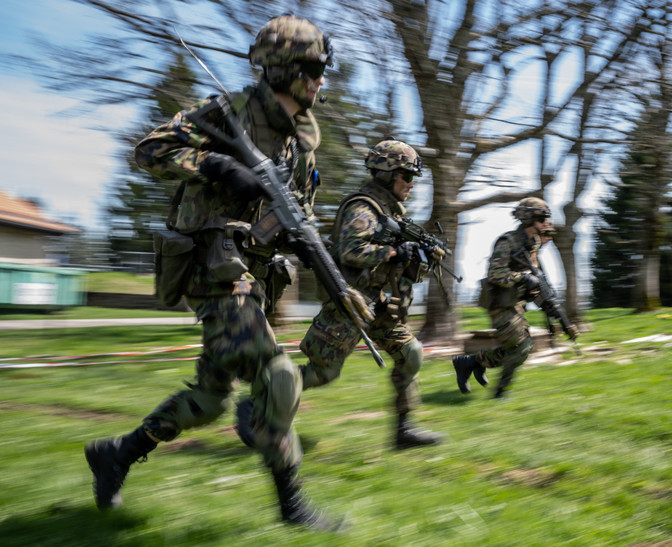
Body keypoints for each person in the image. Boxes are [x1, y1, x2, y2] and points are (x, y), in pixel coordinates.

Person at [83, 15, 358, 530]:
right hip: (212, 266)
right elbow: (149, 149)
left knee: (209, 399)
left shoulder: (301, 144)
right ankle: (293, 508)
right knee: (278, 376)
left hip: (249, 272)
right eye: (316, 68)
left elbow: (299, 209)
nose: (323, 79)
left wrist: (303, 238)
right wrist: (214, 165)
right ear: (284, 70)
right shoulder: (227, 112)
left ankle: (116, 455)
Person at [299, 139, 443, 449]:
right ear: (388, 174)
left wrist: (419, 256)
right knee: (323, 372)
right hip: (350, 300)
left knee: (411, 353)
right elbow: (351, 250)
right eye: (408, 176)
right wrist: (394, 251)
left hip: (375, 302)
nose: (412, 184)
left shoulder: (391, 212)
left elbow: (396, 260)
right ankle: (262, 401)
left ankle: (403, 431)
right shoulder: (363, 208)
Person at [451, 197, 576, 398]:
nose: (547, 222)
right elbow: (495, 274)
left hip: (515, 304)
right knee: (522, 347)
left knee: (516, 348)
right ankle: (499, 392)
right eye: (542, 218)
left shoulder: (533, 244)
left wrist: (554, 312)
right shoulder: (507, 242)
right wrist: (522, 278)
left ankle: (471, 363)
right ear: (528, 219)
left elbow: (534, 281)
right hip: (499, 304)